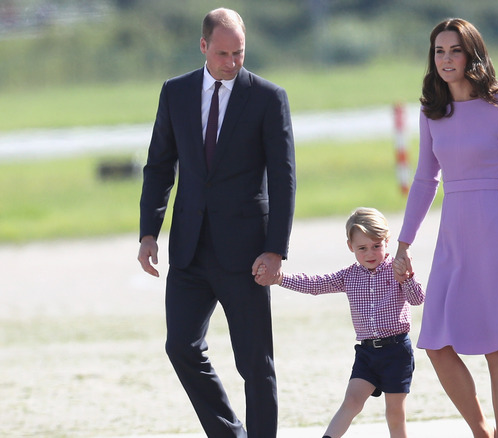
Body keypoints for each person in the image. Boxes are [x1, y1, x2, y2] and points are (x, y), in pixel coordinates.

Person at [136, 8, 295, 438]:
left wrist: (276, 249)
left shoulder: (267, 97)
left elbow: (283, 180)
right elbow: (159, 166)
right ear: (203, 46)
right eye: (222, 53)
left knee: (255, 364)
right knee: (181, 347)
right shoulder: (176, 92)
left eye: (238, 53)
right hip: (189, 249)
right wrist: (149, 231)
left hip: (247, 253)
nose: (231, 62)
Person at [393, 18, 498, 438]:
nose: (446, 59)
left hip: (495, 231)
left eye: (454, 50)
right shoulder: (432, 112)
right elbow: (425, 180)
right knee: (437, 344)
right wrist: (404, 244)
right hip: (452, 236)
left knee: (497, 346)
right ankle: (480, 432)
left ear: (471, 54)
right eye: (439, 51)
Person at [261, 207, 425, 438]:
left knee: (395, 413)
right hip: (367, 354)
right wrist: (280, 279)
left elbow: (417, 299)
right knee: (352, 402)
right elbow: (317, 285)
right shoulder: (349, 276)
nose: (370, 253)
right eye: (362, 248)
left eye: (376, 246)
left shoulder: (395, 269)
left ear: (386, 242)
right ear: (350, 247)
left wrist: (407, 277)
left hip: (397, 351)